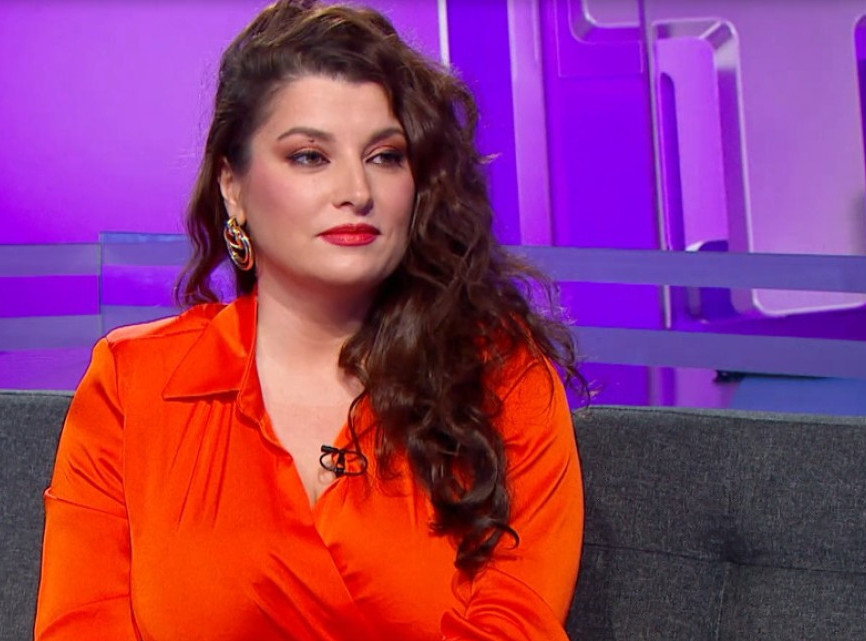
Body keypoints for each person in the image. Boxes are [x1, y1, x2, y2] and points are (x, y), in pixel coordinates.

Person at [34, 1, 586, 639]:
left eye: (385, 155)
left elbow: (515, 625)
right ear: (233, 186)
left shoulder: (503, 381)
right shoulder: (132, 383)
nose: (357, 190)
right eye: (309, 156)